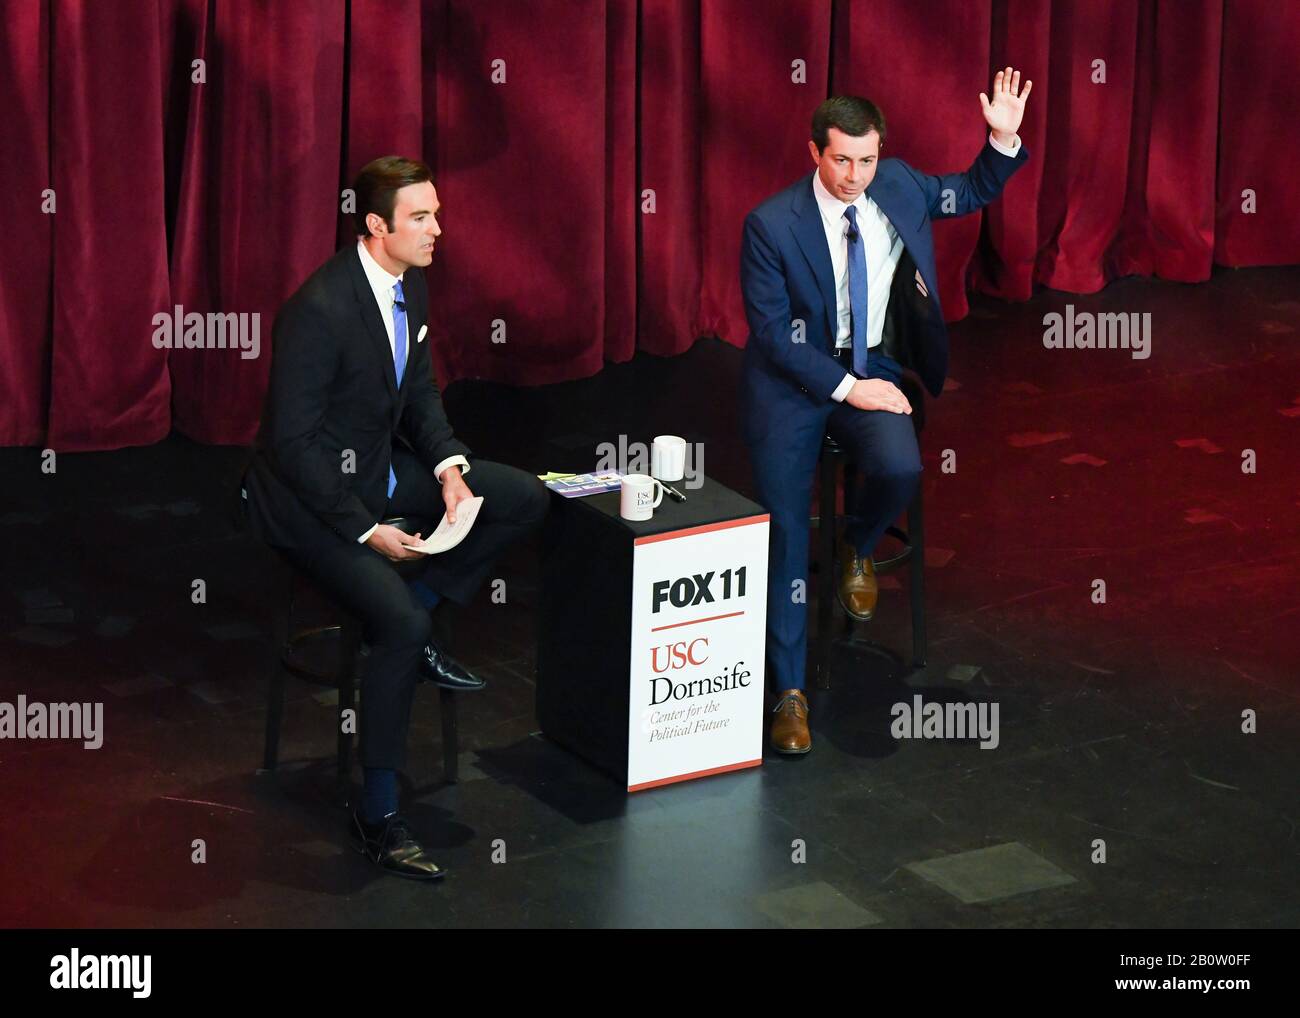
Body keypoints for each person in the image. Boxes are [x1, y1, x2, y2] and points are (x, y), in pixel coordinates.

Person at [241, 156, 549, 878]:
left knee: (522, 498)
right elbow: (292, 445)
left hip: (378, 471)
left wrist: (447, 471)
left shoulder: (411, 285)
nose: (438, 229)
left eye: (436, 213)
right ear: (377, 226)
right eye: (421, 217)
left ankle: (423, 597)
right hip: (311, 502)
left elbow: (420, 397)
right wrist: (365, 529)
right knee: (402, 630)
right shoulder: (318, 310)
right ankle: (377, 813)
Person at [740, 69, 1033, 754]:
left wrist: (1003, 137)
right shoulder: (770, 224)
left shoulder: (897, 185)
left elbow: (972, 189)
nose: (854, 175)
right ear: (815, 152)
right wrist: (849, 388)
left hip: (869, 363)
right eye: (841, 159)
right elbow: (775, 335)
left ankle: (858, 547)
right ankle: (789, 693)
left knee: (900, 467)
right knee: (786, 534)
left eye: (865, 159)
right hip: (793, 381)